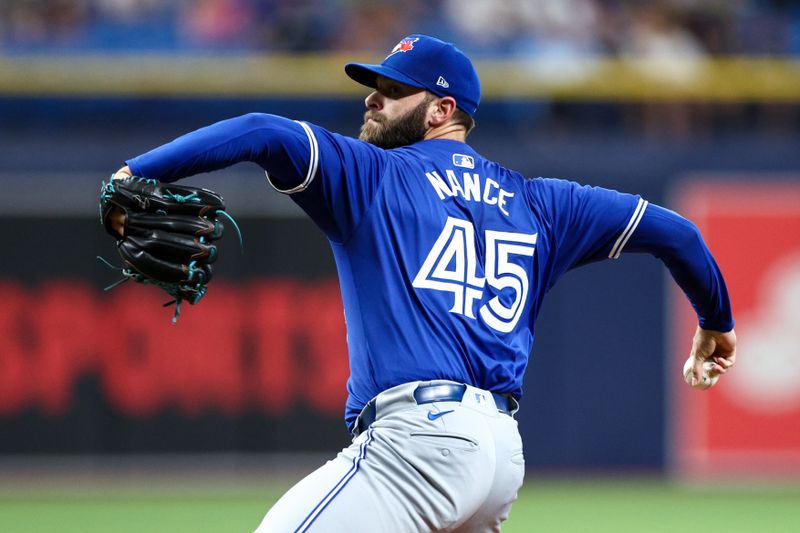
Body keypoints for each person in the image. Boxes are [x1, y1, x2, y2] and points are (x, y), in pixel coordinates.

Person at [109, 34, 736, 532]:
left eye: (392, 90)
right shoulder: (541, 203)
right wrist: (716, 322)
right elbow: (679, 234)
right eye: (374, 87)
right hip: (498, 458)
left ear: (442, 111)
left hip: (421, 443)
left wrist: (136, 171)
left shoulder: (374, 174)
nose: (371, 99)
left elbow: (261, 131)